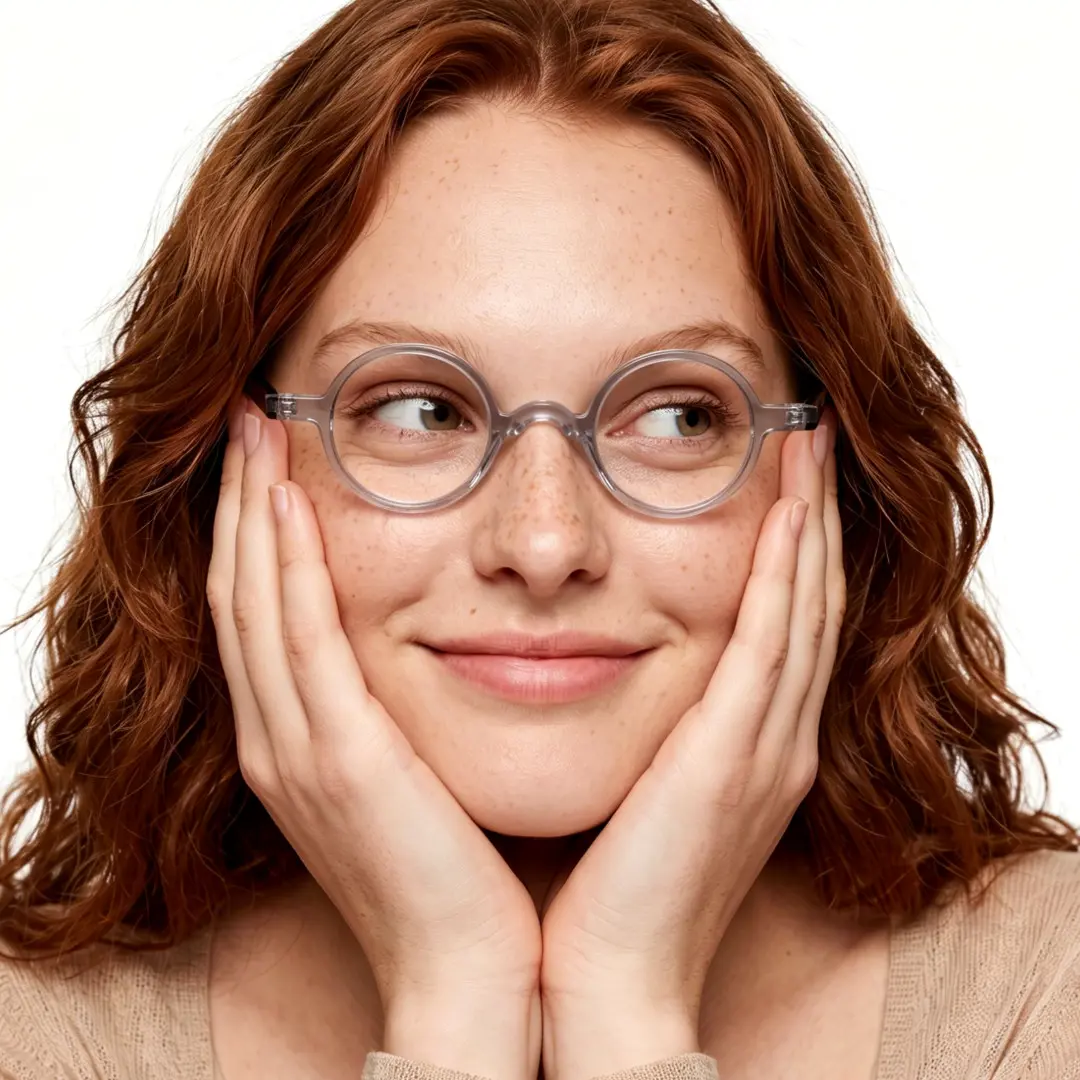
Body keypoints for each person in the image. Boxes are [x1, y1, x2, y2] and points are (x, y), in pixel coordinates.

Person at [1, 0, 1078, 1078]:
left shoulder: (1044, 996)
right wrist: (454, 997)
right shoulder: (38, 1034)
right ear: (225, 460)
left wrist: (627, 1005)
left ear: (831, 469)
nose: (548, 541)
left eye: (678, 416)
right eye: (421, 409)